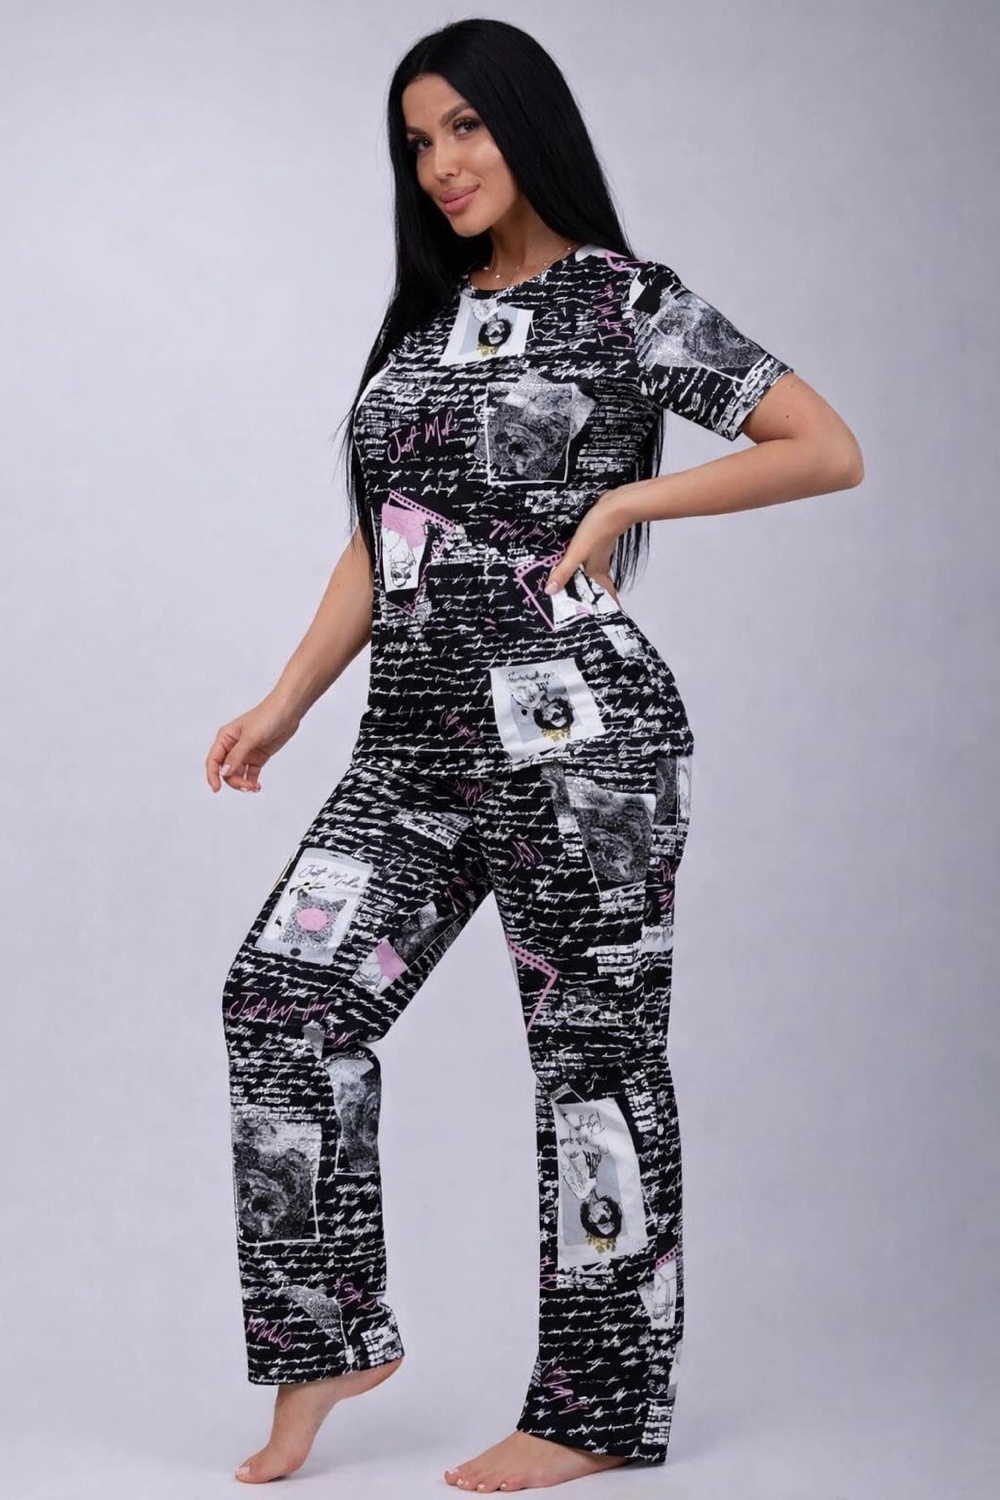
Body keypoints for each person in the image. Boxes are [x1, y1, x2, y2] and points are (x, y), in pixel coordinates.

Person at [204, 17, 863, 1495]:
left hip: (582, 743)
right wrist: (286, 701)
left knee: (594, 1066)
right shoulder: (422, 326)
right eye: (417, 141)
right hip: (410, 746)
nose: (441, 164)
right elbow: (383, 543)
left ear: (526, 125)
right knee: (280, 1006)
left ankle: (596, 1407)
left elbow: (824, 446)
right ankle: (325, 1339)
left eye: (466, 127)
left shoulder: (627, 302)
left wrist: (627, 506)